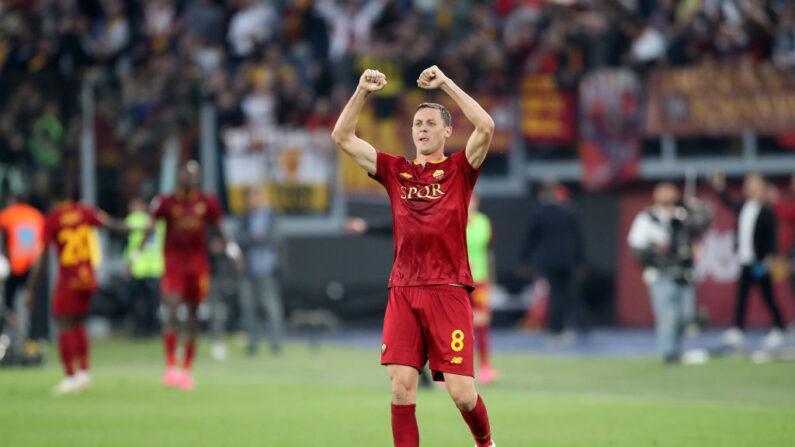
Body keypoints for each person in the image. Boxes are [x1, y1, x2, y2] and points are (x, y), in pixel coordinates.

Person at [332, 66, 496, 447]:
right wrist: (360, 91)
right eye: (417, 124)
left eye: (429, 123)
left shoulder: (459, 170)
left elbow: (486, 126)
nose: (421, 129)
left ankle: (486, 443)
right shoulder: (395, 170)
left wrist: (447, 84)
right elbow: (342, 136)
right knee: (402, 390)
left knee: (461, 394)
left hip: (447, 290)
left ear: (446, 131)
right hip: (403, 289)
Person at [138, 161, 244, 390]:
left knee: (194, 317)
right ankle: (170, 366)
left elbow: (220, 228)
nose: (191, 180)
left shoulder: (207, 202)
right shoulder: (165, 202)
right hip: (174, 265)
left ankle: (186, 368)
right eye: (188, 175)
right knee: (172, 310)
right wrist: (136, 255)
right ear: (179, 177)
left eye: (195, 176)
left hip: (197, 267)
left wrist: (233, 251)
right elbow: (151, 227)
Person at [24, 183, 128, 395]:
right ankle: (84, 373)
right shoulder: (85, 212)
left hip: (69, 279)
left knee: (63, 322)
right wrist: (139, 227)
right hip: (88, 278)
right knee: (78, 322)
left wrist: (31, 288)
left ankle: (71, 377)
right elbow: (112, 226)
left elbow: (43, 259)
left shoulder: (52, 219)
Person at [627, 183, 712, 365]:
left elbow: (704, 223)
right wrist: (655, 254)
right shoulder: (648, 218)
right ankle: (669, 354)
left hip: (684, 272)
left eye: (669, 191)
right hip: (661, 273)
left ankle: (676, 347)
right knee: (667, 316)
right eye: (661, 191)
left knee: (686, 316)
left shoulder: (684, 215)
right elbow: (636, 245)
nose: (665, 195)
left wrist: (696, 208)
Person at [709, 172, 786, 350]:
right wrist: (720, 188)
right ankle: (737, 330)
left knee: (768, 296)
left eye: (753, 183)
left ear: (762, 187)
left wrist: (771, 257)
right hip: (745, 260)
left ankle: (779, 328)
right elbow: (728, 202)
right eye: (747, 183)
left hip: (761, 261)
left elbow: (772, 236)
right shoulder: (744, 207)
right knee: (741, 297)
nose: (749, 186)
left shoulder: (767, 210)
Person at [517, 179, 586, 340]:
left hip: (550, 260)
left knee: (556, 294)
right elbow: (578, 238)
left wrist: (523, 260)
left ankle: (556, 330)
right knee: (566, 293)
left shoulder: (539, 212)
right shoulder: (568, 210)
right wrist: (581, 261)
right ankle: (567, 327)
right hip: (567, 259)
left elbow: (530, 239)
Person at [237, 187, 284, 356]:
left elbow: (274, 238)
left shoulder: (271, 216)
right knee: (249, 307)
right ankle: (252, 343)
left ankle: (276, 343)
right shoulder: (246, 217)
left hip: (266, 268)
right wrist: (255, 237)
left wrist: (258, 238)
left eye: (255, 197)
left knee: (271, 307)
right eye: (250, 198)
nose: (252, 201)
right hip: (248, 269)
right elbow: (240, 238)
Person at [0, 194, 45, 357]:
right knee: (29, 302)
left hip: (13, 266)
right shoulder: (37, 215)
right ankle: (29, 339)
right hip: (33, 267)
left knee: (7, 303)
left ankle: (7, 338)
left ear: (13, 201)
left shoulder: (9, 213)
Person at [466, 192, 498, 385]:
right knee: (455, 325)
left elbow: (488, 254)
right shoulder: (452, 219)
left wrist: (492, 283)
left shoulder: (484, 223)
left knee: (482, 323)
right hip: (458, 280)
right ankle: (449, 368)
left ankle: (485, 366)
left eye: (473, 200)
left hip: (480, 280)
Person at [122, 196, 164, 337]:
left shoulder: (135, 218)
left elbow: (124, 233)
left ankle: (140, 330)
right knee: (154, 302)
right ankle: (153, 329)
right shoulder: (159, 221)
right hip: (156, 267)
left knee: (138, 302)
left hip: (138, 267)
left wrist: (129, 264)